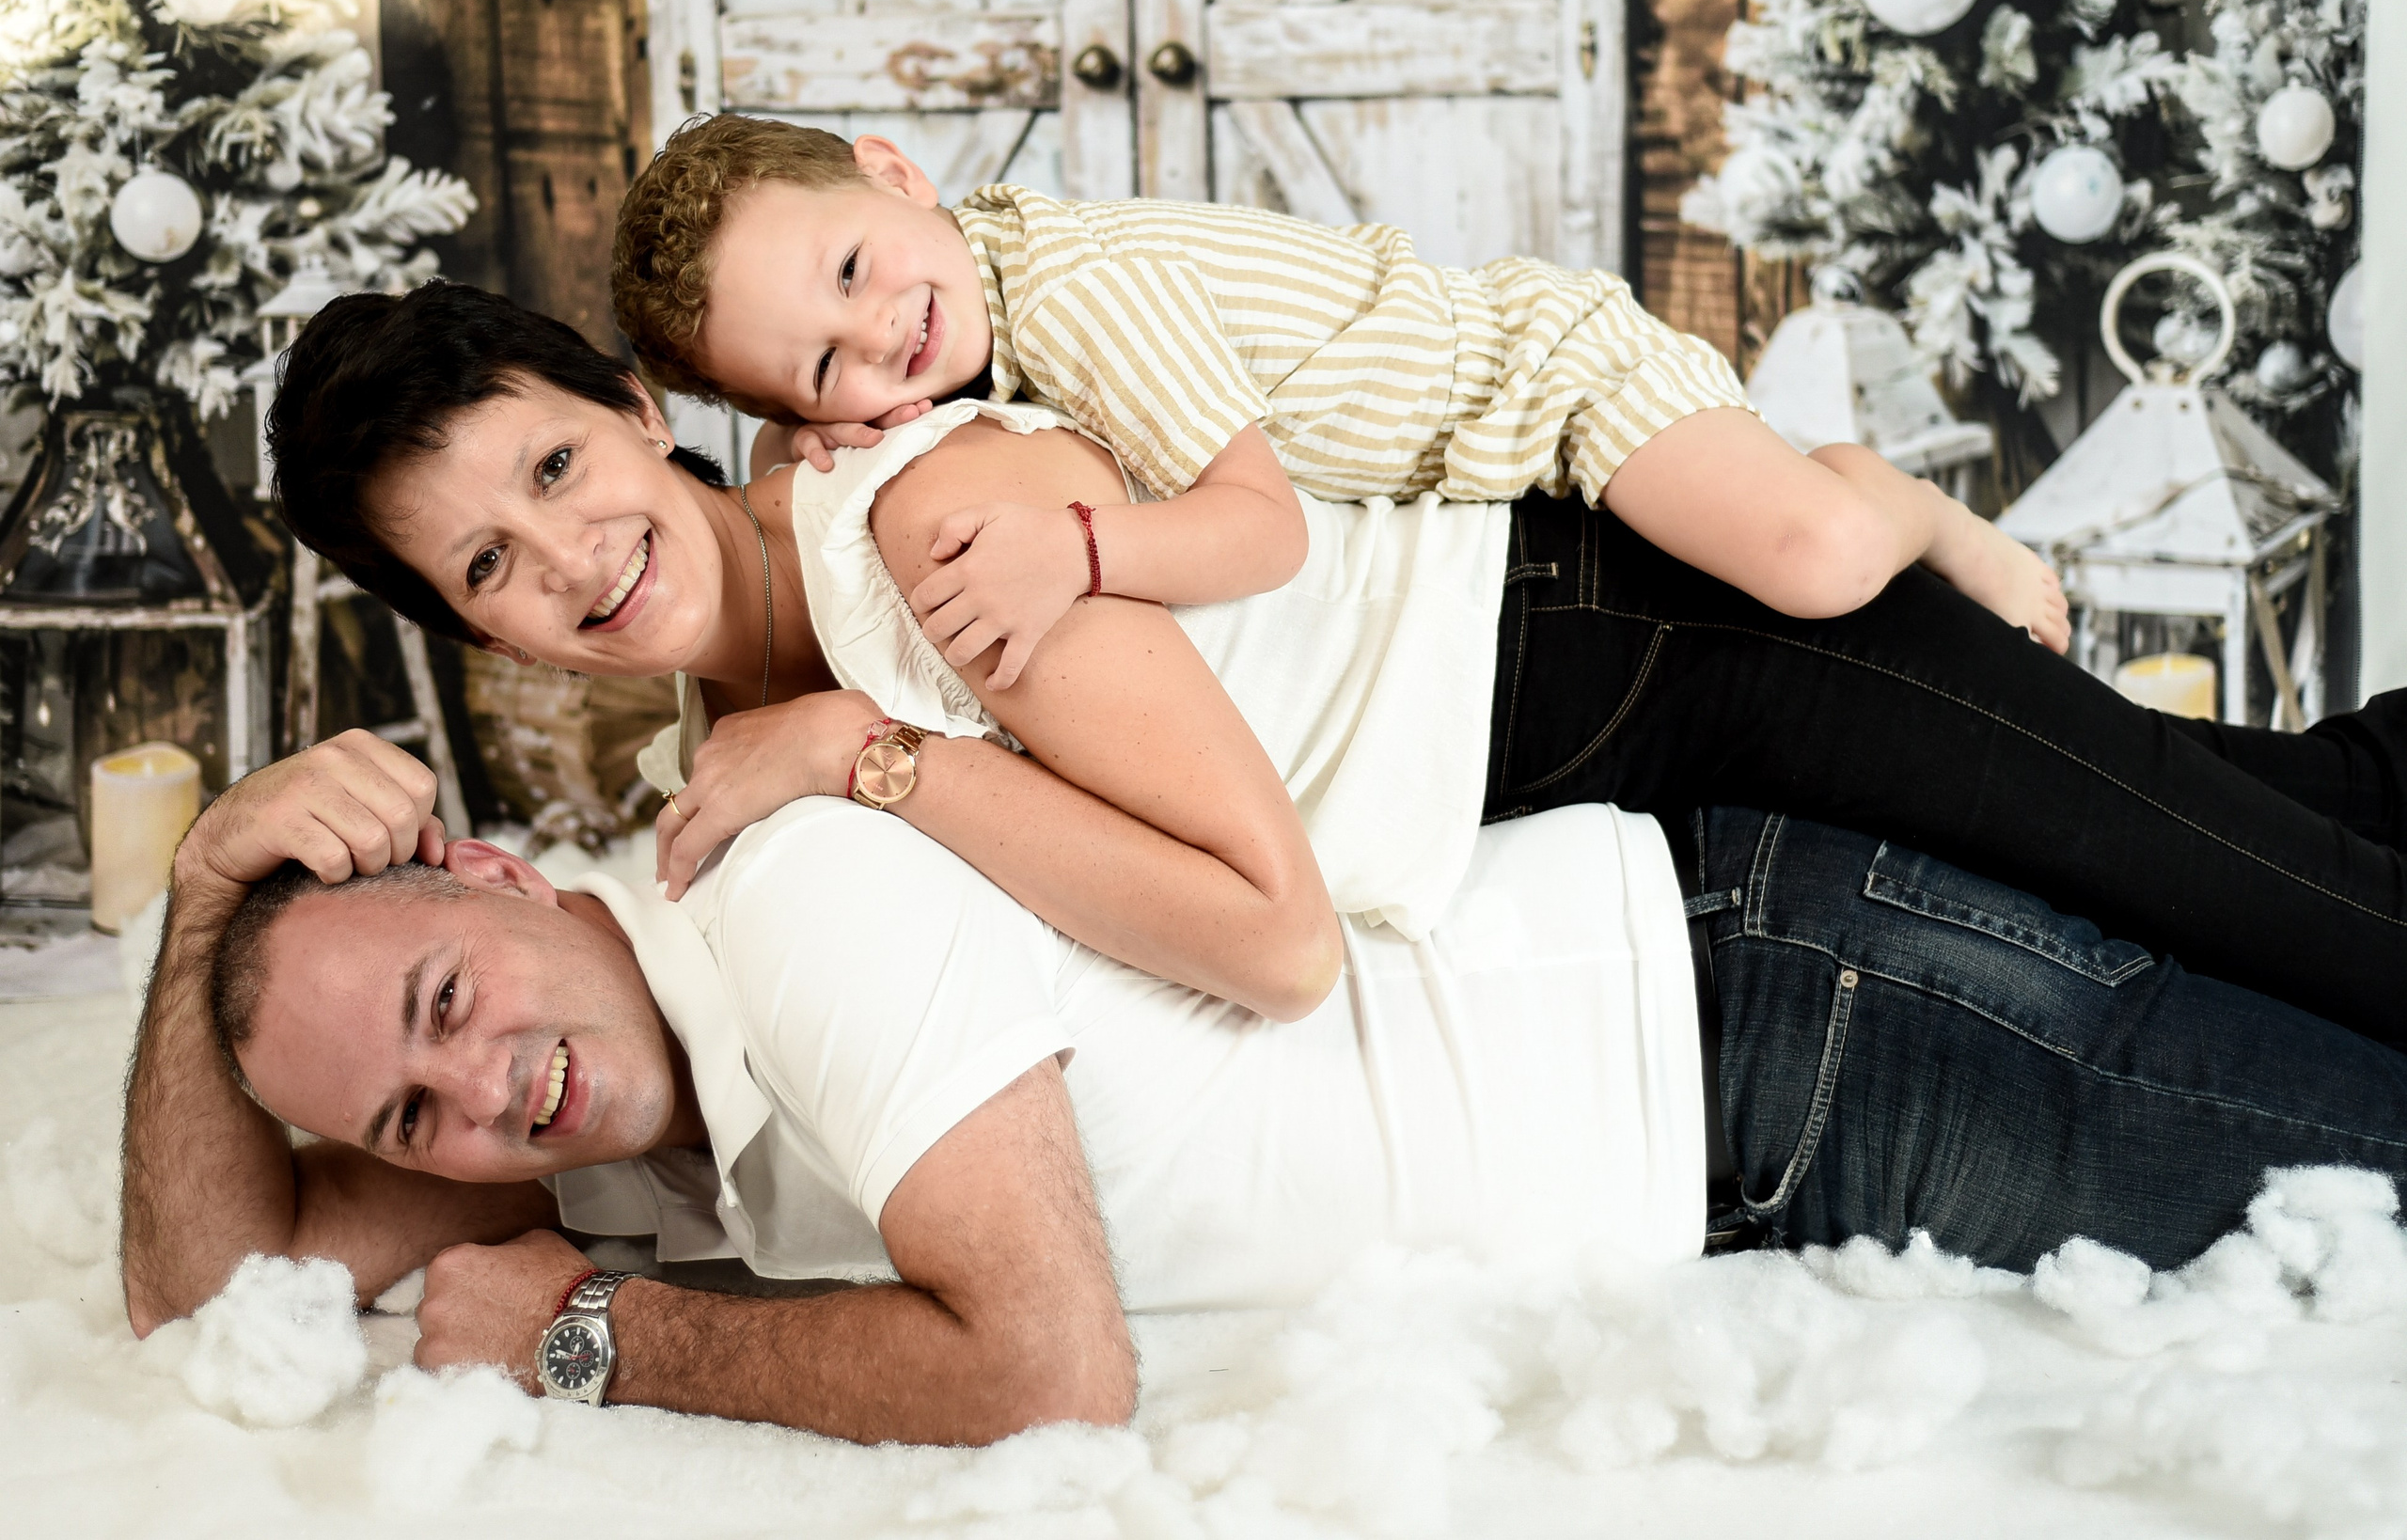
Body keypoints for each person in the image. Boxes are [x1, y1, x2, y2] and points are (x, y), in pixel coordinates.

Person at [268, 280, 2407, 1049]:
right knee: (2279, 809)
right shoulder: (766, 693)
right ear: (469, 629)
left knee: (2266, 903)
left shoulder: (911, 538)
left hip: (1631, 637)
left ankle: (1855, 494)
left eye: (557, 463)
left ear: (638, 410)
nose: (570, 554)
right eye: (488, 562)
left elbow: (1268, 940)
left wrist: (871, 759)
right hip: (1572, 753)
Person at [120, 735, 2407, 1446]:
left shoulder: (788, 906)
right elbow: (207, 1295)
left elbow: (1045, 1376)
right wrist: (213, 880)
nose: (477, 1099)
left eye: (439, 1000)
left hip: (1787, 1035)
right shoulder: (622, 1127)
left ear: (501, 877)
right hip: (1737, 1126)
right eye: (407, 1118)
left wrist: (588, 1342)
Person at [610, 115, 2068, 693]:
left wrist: (1081, 553)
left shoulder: (1072, 290)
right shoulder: (953, 323)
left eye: (857, 268)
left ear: (894, 170)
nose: (882, 334)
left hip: (1537, 379)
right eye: (824, 363)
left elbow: (1264, 533)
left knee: (1810, 563)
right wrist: (800, 434)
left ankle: (1910, 502)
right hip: (1466, 475)